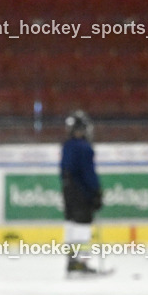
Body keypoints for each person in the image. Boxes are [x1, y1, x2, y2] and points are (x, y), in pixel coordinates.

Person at [60, 110, 103, 275]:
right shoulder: (84, 147)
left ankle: (71, 260)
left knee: (71, 224)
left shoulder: (66, 146)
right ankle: (80, 261)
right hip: (80, 191)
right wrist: (95, 191)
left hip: (68, 190)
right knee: (83, 225)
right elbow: (88, 173)